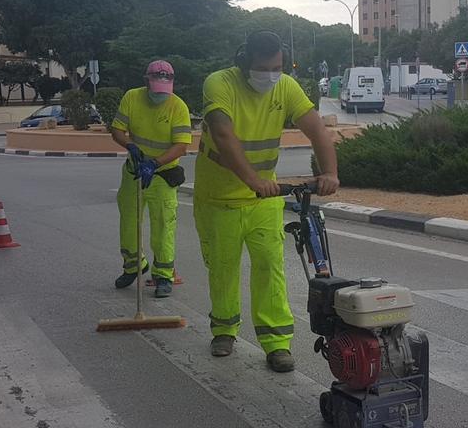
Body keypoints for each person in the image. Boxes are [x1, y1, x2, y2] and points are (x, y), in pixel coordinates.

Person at [194, 30, 339, 372]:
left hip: (264, 199)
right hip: (219, 197)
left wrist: (329, 172)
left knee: (269, 268)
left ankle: (276, 343)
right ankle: (225, 330)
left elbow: (316, 129)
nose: (271, 75)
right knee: (224, 267)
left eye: (277, 67)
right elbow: (223, 134)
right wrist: (254, 181)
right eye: (264, 68)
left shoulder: (285, 86)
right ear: (244, 63)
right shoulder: (220, 84)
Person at [109, 60, 192, 297]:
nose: (160, 95)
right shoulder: (132, 98)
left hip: (162, 175)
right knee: (129, 222)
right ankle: (134, 266)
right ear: (146, 81)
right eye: (156, 88)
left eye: (165, 89)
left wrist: (154, 164)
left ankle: (163, 276)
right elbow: (117, 130)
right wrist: (130, 145)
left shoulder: (178, 106)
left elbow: (181, 146)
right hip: (134, 172)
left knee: (163, 226)